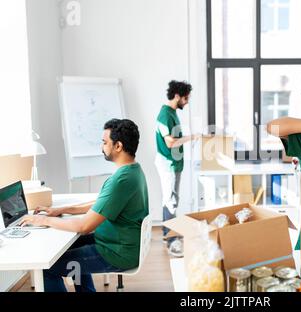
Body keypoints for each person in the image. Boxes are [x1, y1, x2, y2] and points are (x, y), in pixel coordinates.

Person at [20, 119, 149, 292]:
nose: (101, 146)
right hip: (116, 243)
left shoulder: (121, 180)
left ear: (118, 146)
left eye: (104, 142)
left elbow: (84, 226)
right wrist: (61, 210)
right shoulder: (133, 170)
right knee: (68, 250)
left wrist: (42, 220)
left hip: (116, 252)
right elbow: (100, 203)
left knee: (48, 268)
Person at [155, 80, 199, 257]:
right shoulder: (165, 115)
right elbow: (170, 142)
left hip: (174, 163)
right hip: (168, 164)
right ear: (177, 96)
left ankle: (169, 235)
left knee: (172, 199)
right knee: (170, 201)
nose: (187, 101)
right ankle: (172, 241)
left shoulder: (172, 112)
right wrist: (192, 137)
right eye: (186, 98)